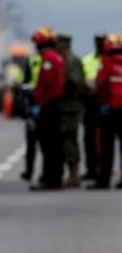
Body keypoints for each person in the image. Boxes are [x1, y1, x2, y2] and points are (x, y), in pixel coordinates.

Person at [29, 27, 66, 191]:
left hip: (49, 107)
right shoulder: (56, 58)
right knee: (54, 145)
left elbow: (46, 85)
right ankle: (54, 178)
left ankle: (50, 178)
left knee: (49, 145)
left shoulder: (49, 60)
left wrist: (38, 103)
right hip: (54, 105)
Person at [89, 33, 122, 189]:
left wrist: (101, 103)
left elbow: (101, 84)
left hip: (109, 111)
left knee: (106, 147)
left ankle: (104, 180)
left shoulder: (106, 62)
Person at [56, 34, 87, 188]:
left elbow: (75, 82)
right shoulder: (65, 60)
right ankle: (71, 174)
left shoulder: (71, 60)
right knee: (66, 141)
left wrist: (61, 88)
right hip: (66, 107)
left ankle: (74, 174)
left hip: (70, 107)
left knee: (69, 141)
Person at [81, 34, 106, 180]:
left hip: (107, 103)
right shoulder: (87, 60)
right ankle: (91, 169)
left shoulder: (111, 59)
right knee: (89, 139)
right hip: (90, 103)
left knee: (104, 141)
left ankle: (103, 169)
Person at [20, 53, 42, 181]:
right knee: (31, 142)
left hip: (45, 104)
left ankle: (48, 172)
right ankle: (29, 170)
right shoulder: (32, 59)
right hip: (34, 102)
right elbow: (25, 84)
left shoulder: (52, 59)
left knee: (46, 144)